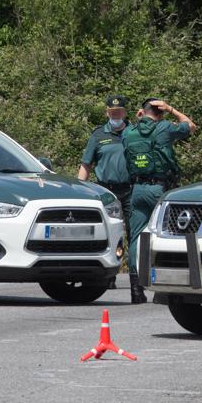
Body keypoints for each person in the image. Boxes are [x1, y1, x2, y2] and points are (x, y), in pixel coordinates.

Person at [123, 97, 195, 303]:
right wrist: (172, 109)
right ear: (160, 112)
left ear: (142, 112)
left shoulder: (129, 132)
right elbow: (190, 126)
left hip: (136, 189)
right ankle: (165, 287)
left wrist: (140, 119)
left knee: (136, 237)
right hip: (159, 190)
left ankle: (136, 288)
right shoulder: (164, 128)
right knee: (167, 234)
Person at [78, 95, 132, 281]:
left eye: (119, 112)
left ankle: (135, 275)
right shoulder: (98, 134)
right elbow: (86, 164)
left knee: (135, 233)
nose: (116, 115)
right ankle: (108, 277)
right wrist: (80, 191)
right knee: (109, 232)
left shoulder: (134, 133)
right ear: (107, 112)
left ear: (125, 112)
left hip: (131, 190)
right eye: (112, 112)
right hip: (106, 192)